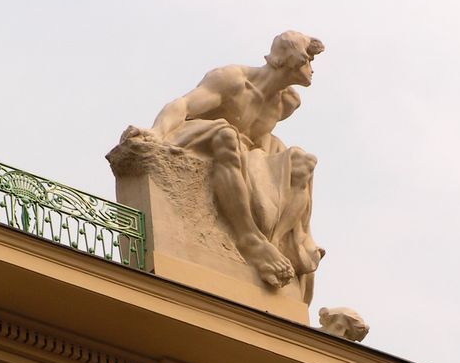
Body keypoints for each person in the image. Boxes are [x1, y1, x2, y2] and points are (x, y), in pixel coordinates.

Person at [121, 31, 325, 297]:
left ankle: (275, 242)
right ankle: (248, 238)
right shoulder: (233, 80)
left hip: (247, 153)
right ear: (291, 60)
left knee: (304, 161)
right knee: (226, 134)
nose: (311, 68)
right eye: (308, 59)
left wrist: (263, 172)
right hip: (199, 138)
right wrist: (158, 132)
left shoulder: (288, 102)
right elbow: (183, 106)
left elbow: (260, 140)